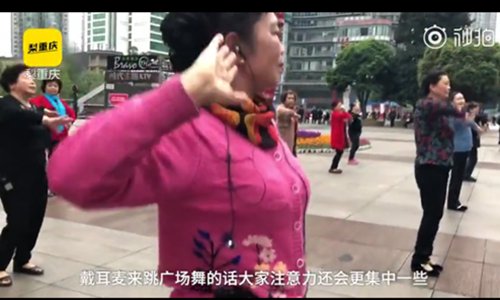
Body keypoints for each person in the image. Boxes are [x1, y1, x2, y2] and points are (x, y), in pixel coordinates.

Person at [47, 13, 310, 298]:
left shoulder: (256, 118)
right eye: (275, 33)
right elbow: (68, 174)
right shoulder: (191, 133)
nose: (282, 47)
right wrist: (186, 90)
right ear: (235, 47)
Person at [0, 64, 72, 287]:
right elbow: (17, 117)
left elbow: (38, 130)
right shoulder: (6, 105)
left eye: (32, 77)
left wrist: (44, 117)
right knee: (18, 220)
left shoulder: (31, 107)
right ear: (13, 84)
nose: (32, 81)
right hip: (12, 175)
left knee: (35, 218)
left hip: (37, 173)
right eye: (26, 77)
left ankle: (23, 259)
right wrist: (43, 119)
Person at [411, 70, 465, 277]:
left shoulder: (438, 110)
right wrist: (459, 105)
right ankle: (419, 260)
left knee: (434, 213)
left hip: (439, 166)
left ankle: (424, 257)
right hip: (429, 166)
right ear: (432, 86)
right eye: (445, 83)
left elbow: (457, 118)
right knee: (432, 213)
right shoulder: (426, 104)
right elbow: (453, 111)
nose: (449, 87)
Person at [447, 93, 482, 212]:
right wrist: (468, 121)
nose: (461, 100)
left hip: (465, 148)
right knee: (456, 176)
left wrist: (477, 127)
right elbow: (454, 126)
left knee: (459, 176)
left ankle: (455, 200)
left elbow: (470, 123)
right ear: (452, 102)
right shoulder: (453, 113)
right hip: (458, 149)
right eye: (458, 98)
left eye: (462, 98)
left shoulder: (462, 113)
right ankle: (452, 202)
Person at [30, 78, 76, 157]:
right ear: (44, 87)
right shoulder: (38, 100)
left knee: (59, 155)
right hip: (47, 133)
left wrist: (69, 122)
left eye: (55, 86)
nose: (53, 88)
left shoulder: (61, 102)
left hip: (62, 134)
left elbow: (71, 113)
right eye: (50, 85)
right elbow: (32, 109)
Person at [463, 103, 486, 182]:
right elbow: (477, 128)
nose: (478, 110)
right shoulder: (468, 117)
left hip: (473, 139)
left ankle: (466, 174)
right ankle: (466, 174)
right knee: (472, 158)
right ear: (471, 109)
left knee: (471, 158)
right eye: (476, 108)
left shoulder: (476, 117)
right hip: (470, 140)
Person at [329, 101, 351, 174]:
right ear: (335, 107)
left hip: (339, 134)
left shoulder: (336, 114)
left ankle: (334, 167)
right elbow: (348, 116)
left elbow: (347, 119)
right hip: (337, 135)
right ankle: (333, 167)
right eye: (339, 105)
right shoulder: (336, 114)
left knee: (339, 152)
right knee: (339, 152)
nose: (341, 106)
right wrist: (344, 111)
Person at [276, 90, 299, 156]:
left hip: (291, 145)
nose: (291, 100)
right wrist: (293, 113)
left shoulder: (293, 109)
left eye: (293, 98)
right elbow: (280, 111)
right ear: (284, 99)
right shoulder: (281, 108)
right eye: (289, 98)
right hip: (282, 146)